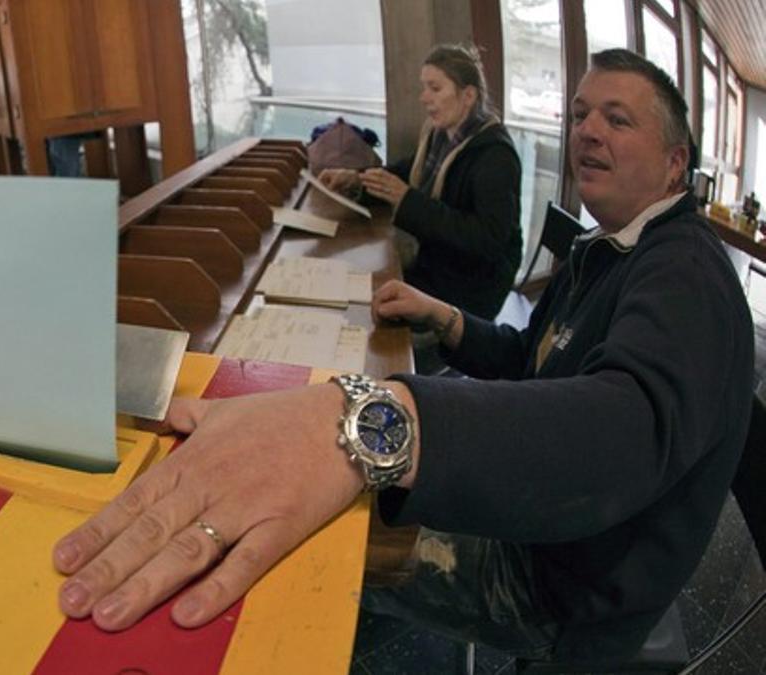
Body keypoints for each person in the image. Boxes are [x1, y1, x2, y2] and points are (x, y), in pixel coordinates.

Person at [46, 49, 754, 663]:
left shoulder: (686, 273)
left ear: (675, 162)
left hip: (561, 585)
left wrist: (376, 418)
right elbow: (530, 360)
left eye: (618, 119)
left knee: (304, 530)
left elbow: (620, 435)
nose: (587, 132)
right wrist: (442, 317)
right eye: (578, 115)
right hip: (548, 530)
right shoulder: (605, 248)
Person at [323, 44, 523, 322]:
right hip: (436, 264)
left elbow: (487, 241)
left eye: (435, 88)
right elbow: (406, 172)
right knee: (353, 280)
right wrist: (357, 180)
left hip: (469, 288)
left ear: (468, 96)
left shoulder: (496, 157)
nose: (423, 97)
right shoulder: (441, 134)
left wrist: (407, 200)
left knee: (364, 313)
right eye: (424, 87)